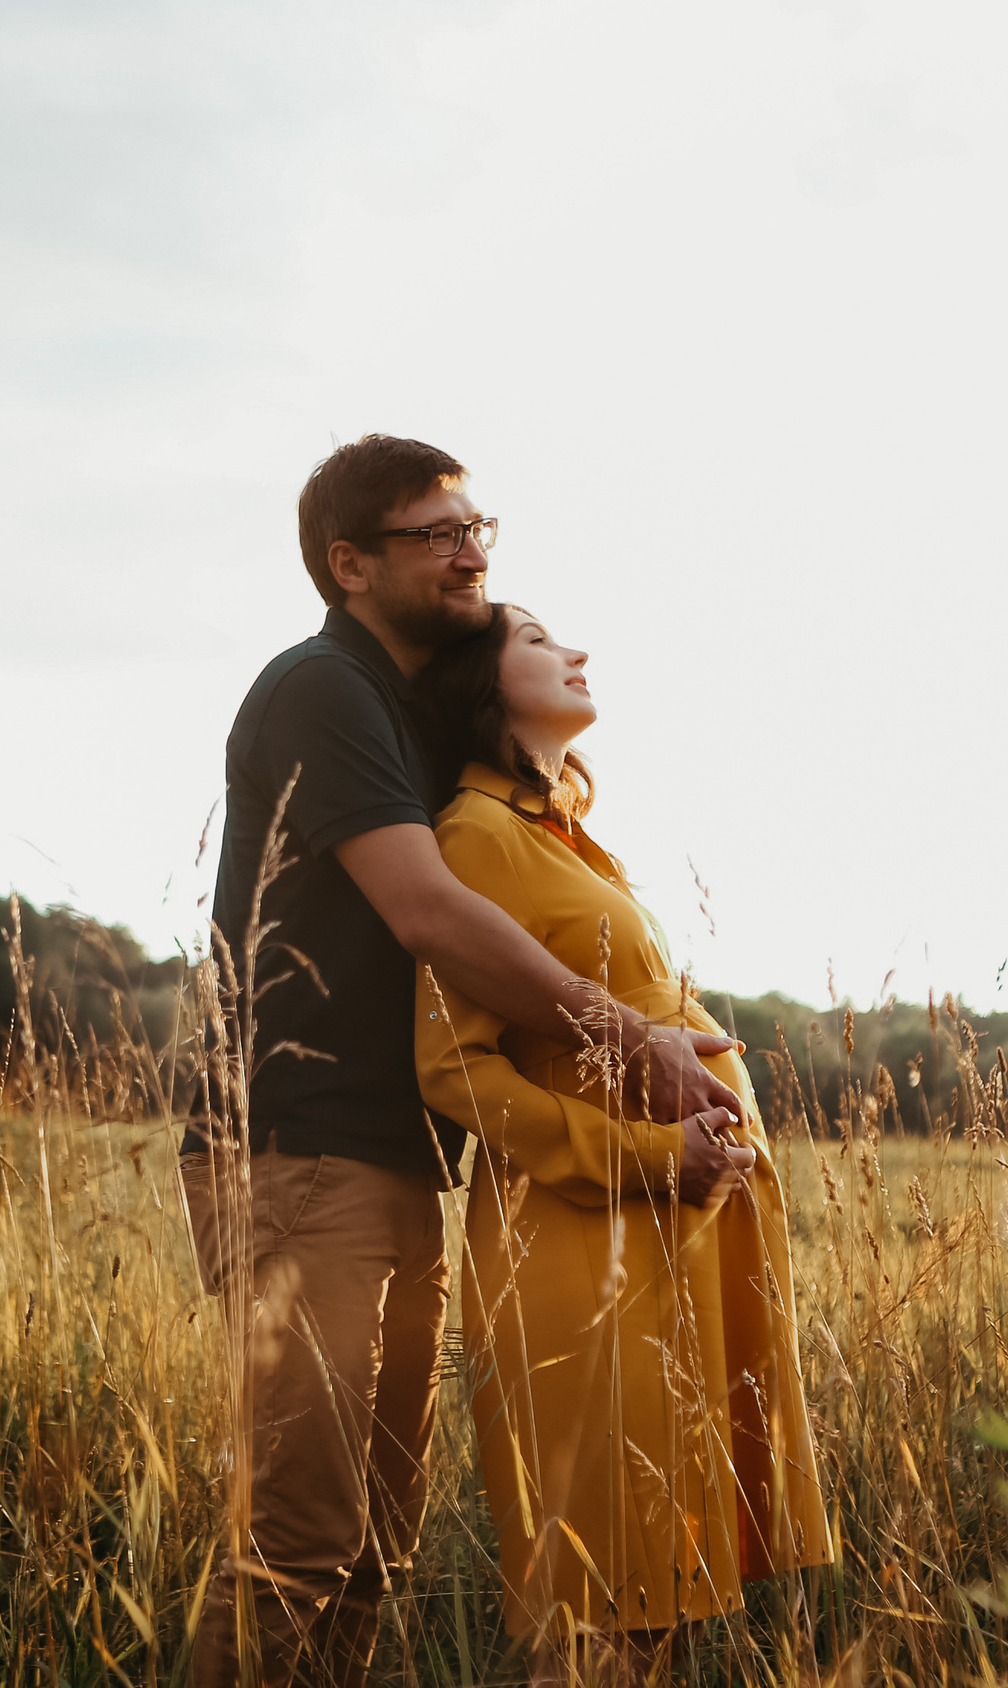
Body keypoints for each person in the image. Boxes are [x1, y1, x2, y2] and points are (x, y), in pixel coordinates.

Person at [180, 437, 748, 1688]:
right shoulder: (320, 689)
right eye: (434, 532)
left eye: (477, 523)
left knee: (373, 1549)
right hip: (297, 1153)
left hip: (395, 1167)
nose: (471, 547)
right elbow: (427, 911)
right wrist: (631, 1035)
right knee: (297, 1540)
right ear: (349, 566)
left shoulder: (408, 718)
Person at [413, 604, 835, 1686]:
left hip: (672, 1236)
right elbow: (453, 1069)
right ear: (482, 682)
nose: (578, 652)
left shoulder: (556, 831)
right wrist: (652, 1157)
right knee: (612, 1611)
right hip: (585, 1243)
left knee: (669, 1597)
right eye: (543, 641)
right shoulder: (474, 834)